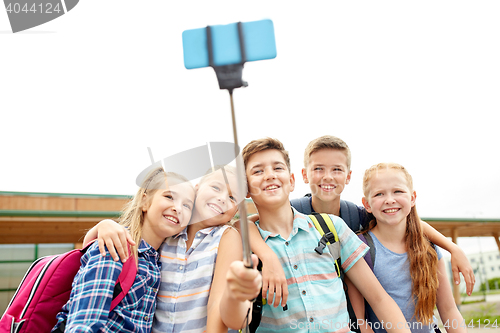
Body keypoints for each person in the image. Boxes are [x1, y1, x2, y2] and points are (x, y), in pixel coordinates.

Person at [246, 135, 475, 309]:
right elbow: (247, 223)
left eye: (337, 169)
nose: (328, 176)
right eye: (319, 169)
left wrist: (452, 247)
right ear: (304, 175)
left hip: (357, 309)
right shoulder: (294, 210)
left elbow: (408, 222)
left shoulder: (356, 214)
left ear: (348, 176)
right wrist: (268, 256)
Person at [229, 137, 413, 333]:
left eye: (278, 168)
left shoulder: (331, 227)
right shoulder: (240, 244)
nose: (269, 175)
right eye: (258, 171)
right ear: (246, 189)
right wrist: (267, 256)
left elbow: (378, 298)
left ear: (292, 181)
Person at [83, 165, 262, 332]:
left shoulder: (226, 236)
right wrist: (102, 226)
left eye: (232, 198)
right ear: (197, 188)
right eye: (216, 187)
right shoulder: (170, 230)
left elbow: (216, 305)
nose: (222, 198)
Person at [52, 168, 196, 333]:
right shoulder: (115, 246)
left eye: (187, 205)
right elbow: (84, 325)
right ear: (145, 202)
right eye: (169, 197)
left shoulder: (159, 262)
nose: (178, 208)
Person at [346, 163, 466, 333]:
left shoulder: (428, 246)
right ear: (367, 204)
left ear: (412, 198)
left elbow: (448, 310)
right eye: (379, 194)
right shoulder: (359, 248)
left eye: (398, 191)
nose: (389, 199)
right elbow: (360, 322)